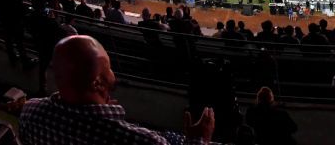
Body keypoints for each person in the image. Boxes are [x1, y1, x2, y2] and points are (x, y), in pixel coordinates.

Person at [20, 35, 215, 145]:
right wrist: (199, 139)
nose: (113, 73)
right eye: (109, 68)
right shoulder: (140, 140)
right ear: (97, 84)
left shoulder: (30, 111)